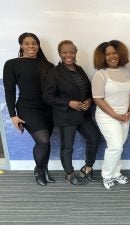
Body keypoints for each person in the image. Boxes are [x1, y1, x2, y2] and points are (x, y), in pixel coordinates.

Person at [43, 40, 101, 185]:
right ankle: (69, 174)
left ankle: (87, 169)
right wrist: (69, 102)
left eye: (72, 51)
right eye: (64, 52)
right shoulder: (53, 73)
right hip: (66, 116)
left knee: (94, 138)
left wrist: (89, 101)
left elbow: (88, 89)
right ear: (59, 53)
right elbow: (48, 97)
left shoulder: (79, 69)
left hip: (83, 114)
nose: (69, 55)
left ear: (76, 52)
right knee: (67, 147)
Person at [3, 32, 54, 186]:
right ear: (21, 45)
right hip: (27, 108)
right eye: (27, 43)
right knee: (43, 141)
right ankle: (39, 170)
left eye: (34, 43)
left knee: (46, 142)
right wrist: (13, 115)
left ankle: (44, 169)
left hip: (47, 109)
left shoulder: (48, 65)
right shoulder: (12, 64)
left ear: (38, 45)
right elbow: (10, 91)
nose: (31, 46)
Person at [92, 40, 130, 190]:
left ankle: (116, 173)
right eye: (107, 54)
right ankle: (107, 175)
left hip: (125, 116)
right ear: (102, 57)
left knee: (119, 146)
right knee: (115, 146)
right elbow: (97, 99)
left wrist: (129, 111)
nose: (112, 56)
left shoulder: (127, 72)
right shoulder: (100, 74)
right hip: (107, 116)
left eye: (114, 53)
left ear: (120, 53)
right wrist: (116, 116)